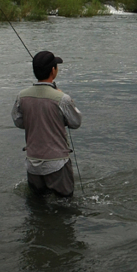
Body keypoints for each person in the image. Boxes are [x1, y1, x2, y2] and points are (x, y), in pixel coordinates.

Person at [12, 50, 82, 198]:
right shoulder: (62, 98)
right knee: (65, 205)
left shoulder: (21, 96)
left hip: (32, 164)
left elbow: (18, 122)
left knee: (37, 204)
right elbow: (76, 122)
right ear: (53, 70)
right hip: (58, 165)